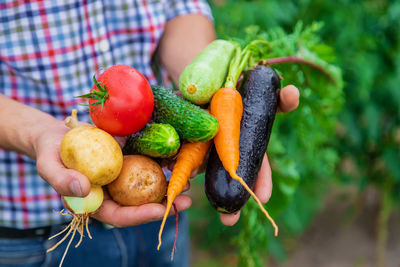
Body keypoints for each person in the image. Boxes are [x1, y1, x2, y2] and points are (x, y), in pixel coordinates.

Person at [0, 0, 299, 266]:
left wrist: (206, 88)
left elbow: (181, 8)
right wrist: (37, 134)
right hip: (36, 234)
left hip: (160, 207)